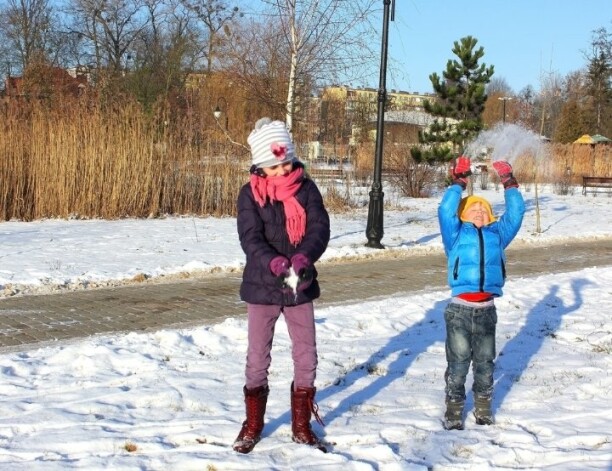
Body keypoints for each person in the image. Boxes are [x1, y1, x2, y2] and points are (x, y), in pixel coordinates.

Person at [233, 117, 330, 453]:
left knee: (307, 355)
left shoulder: (307, 189)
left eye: (287, 162)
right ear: (261, 166)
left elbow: (319, 229)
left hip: (298, 286)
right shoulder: (250, 195)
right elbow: (250, 237)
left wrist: (303, 259)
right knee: (257, 357)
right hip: (263, 284)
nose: (283, 170)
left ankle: (301, 424)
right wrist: (274, 263)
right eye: (275, 166)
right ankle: (253, 424)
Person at [437, 155, 525, 430]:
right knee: (459, 362)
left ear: (490, 215)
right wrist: (459, 182)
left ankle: (484, 405)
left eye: (483, 209)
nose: (478, 212)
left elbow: (516, 215)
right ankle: (454, 407)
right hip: (459, 310)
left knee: (485, 362)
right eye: (473, 209)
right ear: (463, 214)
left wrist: (509, 183)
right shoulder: (455, 234)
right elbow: (444, 210)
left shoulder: (497, 234)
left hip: (487, 310)